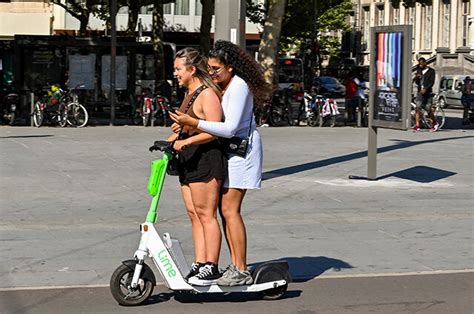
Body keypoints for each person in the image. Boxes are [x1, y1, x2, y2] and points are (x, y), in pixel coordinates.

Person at [170, 40, 272, 286]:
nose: (212, 72)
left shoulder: (238, 86)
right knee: (223, 211)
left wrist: (193, 124)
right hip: (230, 151)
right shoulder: (224, 85)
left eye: (216, 68)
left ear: (231, 68)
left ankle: (240, 268)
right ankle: (235, 264)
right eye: (210, 68)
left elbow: (228, 128)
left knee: (229, 210)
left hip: (241, 151)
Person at [167, 47, 227, 286]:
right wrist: (172, 139)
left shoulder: (207, 94)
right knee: (194, 214)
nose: (175, 74)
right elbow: (190, 126)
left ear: (192, 70)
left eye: (178, 69)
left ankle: (211, 265)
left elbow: (215, 129)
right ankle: (200, 262)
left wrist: (187, 138)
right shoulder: (190, 93)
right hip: (188, 158)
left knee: (206, 214)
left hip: (206, 159)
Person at [413, 57, 437, 132]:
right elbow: (417, 82)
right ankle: (417, 126)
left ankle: (435, 123)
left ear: (425, 63)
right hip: (420, 92)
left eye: (421, 64)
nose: (420, 65)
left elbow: (431, 82)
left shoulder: (431, 71)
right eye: (419, 64)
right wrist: (417, 77)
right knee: (417, 108)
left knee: (428, 109)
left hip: (428, 93)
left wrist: (426, 88)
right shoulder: (419, 70)